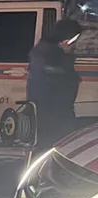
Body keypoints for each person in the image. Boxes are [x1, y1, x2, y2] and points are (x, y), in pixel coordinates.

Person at [28, 18, 83, 148]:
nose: (74, 45)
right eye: (72, 41)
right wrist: (67, 58)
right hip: (51, 116)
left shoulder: (46, 54)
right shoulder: (47, 56)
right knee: (51, 148)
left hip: (58, 114)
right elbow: (59, 84)